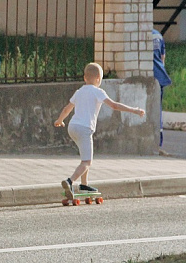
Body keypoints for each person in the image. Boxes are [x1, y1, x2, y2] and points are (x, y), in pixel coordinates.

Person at [54, 63, 145, 199]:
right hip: (84, 129)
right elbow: (114, 105)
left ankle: (84, 184)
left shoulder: (79, 92)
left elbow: (67, 108)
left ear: (85, 78)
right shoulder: (98, 91)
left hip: (72, 127)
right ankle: (70, 181)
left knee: (84, 156)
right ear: (98, 78)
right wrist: (134, 110)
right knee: (87, 162)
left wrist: (59, 120)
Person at [152, 28, 172, 149]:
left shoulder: (138, 34)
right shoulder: (157, 35)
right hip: (159, 75)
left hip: (148, 76)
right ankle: (159, 142)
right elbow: (162, 57)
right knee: (157, 108)